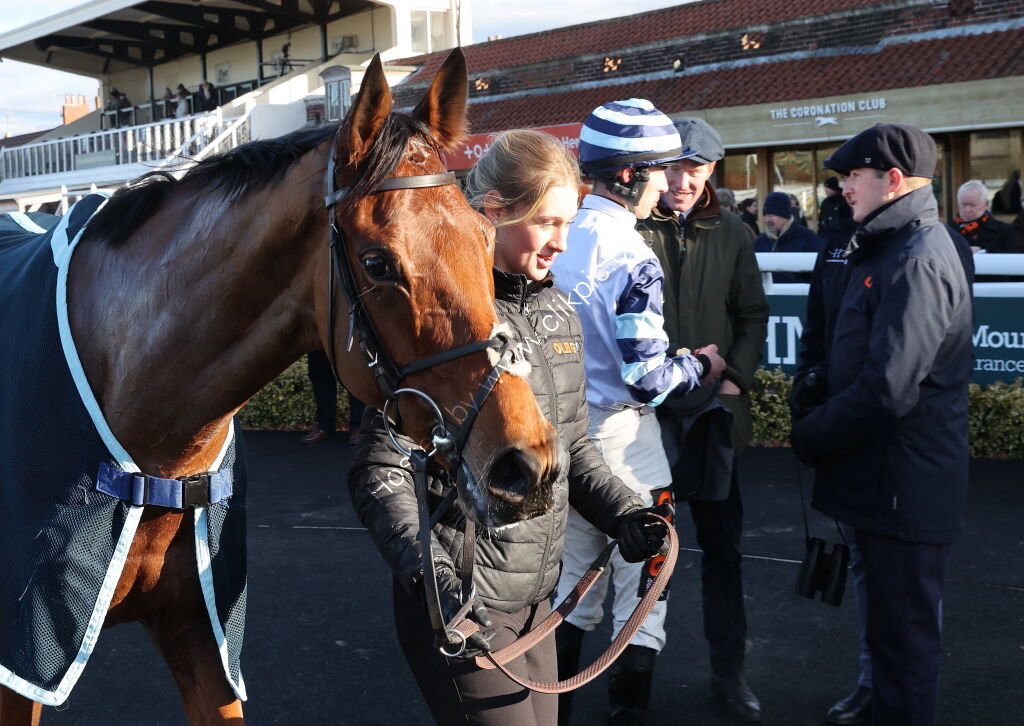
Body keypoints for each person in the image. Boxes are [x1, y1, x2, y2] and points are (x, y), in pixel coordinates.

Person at [347, 129, 672, 726]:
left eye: (568, 223)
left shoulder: (557, 310)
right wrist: (435, 582)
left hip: (535, 601)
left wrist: (627, 511)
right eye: (547, 222)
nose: (560, 243)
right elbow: (379, 471)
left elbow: (572, 447)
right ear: (493, 211)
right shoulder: (441, 321)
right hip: (461, 608)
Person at [790, 123, 973, 726]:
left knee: (905, 648)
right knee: (896, 640)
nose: (843, 188)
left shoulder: (916, 259)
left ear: (892, 180)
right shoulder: (892, 247)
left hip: (903, 484)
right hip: (887, 482)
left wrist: (813, 432)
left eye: (853, 177)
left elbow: (888, 388)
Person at [550, 101, 726, 726]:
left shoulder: (553, 235)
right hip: (627, 443)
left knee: (571, 589)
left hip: (562, 439)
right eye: (656, 171)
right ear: (627, 175)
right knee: (644, 594)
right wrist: (699, 363)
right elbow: (648, 377)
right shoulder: (633, 255)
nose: (664, 182)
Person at [636, 116, 769, 724]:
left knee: (723, 553)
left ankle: (729, 675)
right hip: (644, 419)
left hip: (714, 416)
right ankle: (628, 684)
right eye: (672, 165)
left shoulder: (735, 233)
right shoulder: (630, 225)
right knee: (636, 556)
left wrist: (737, 377)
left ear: (713, 171)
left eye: (695, 167)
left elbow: (752, 313)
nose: (680, 179)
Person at [754, 191, 824, 282]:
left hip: (799, 295)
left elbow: (820, 273)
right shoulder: (760, 241)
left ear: (785, 215)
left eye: (771, 215)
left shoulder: (808, 239)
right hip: (766, 295)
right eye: (765, 215)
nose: (767, 220)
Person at [299, 350, 365, 445]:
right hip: (318, 337)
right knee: (318, 368)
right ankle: (324, 426)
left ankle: (359, 427)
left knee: (354, 371)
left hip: (348, 336)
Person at [953, 179, 1021, 253]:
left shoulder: (1005, 231)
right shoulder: (948, 230)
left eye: (973, 205)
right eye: (963, 204)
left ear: (986, 204)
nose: (967, 210)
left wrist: (984, 251)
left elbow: (1014, 258)